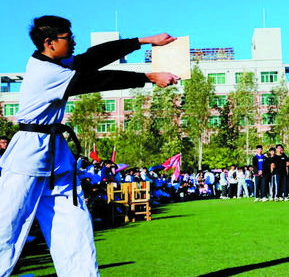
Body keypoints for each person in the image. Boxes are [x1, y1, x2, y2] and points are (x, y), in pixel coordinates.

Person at [0, 15, 179, 276]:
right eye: (68, 38)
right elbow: (97, 80)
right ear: (49, 42)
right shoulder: (47, 72)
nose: (73, 41)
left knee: (74, 225)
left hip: (56, 156)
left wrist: (144, 40)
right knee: (7, 226)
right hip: (28, 155)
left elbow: (92, 59)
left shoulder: (53, 61)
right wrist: (149, 77)